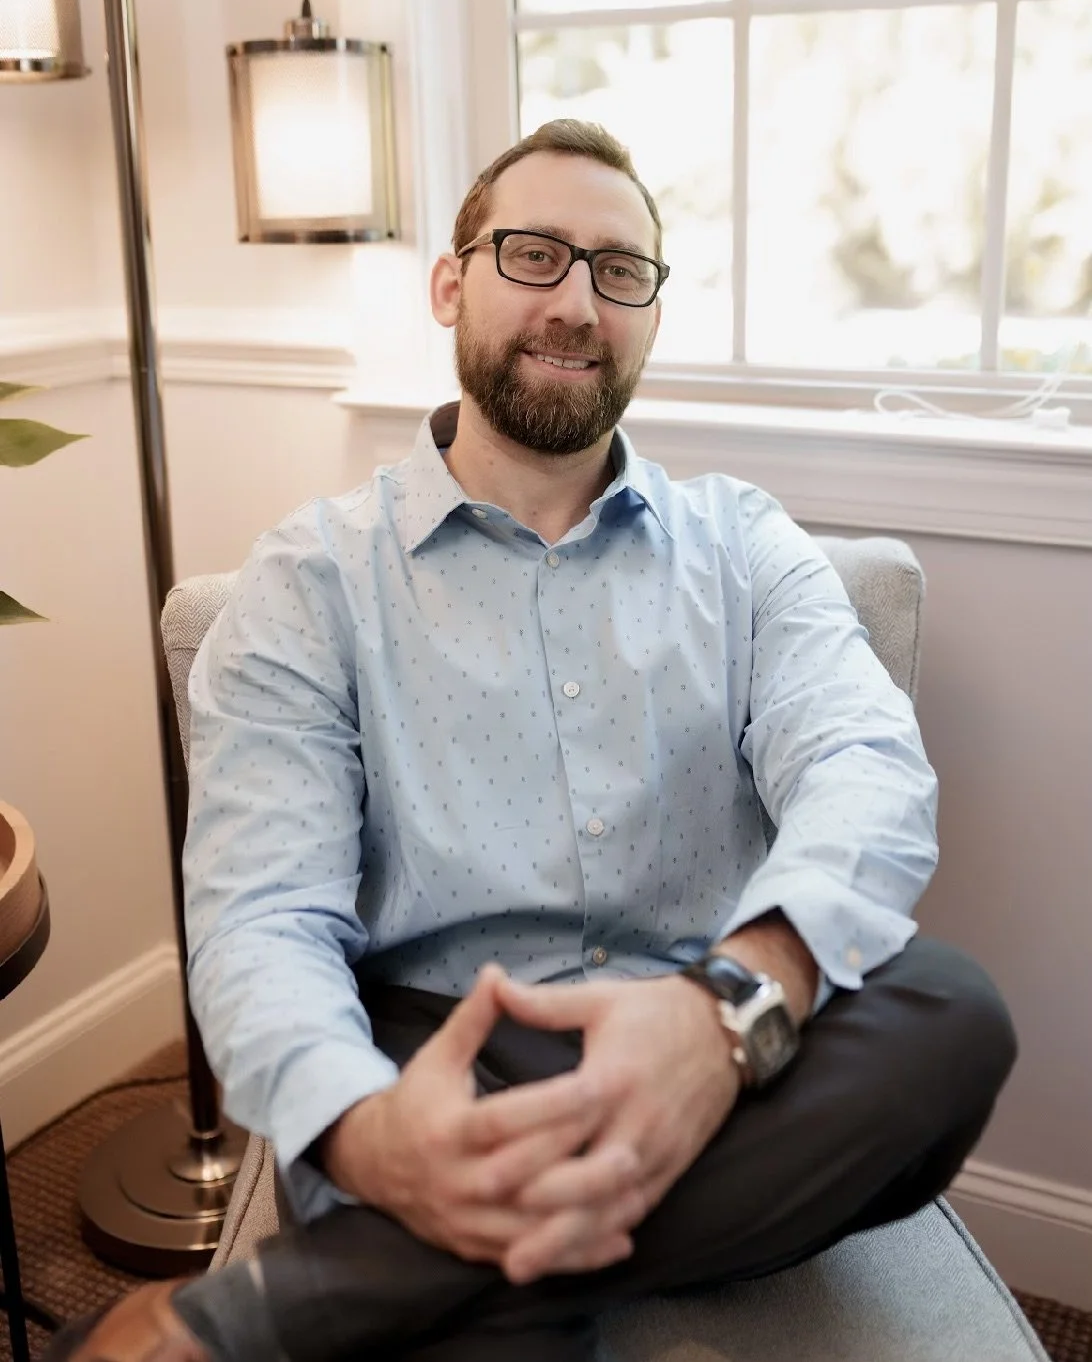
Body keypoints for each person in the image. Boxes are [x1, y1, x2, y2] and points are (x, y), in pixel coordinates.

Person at [51, 120, 1016, 1362]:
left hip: (705, 1031)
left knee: (951, 1011)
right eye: (534, 253)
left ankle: (294, 1303)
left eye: (620, 271)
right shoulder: (309, 581)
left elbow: (863, 770)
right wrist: (368, 1132)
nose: (576, 302)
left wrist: (722, 1013)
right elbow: (263, 916)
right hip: (428, 1049)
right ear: (450, 285)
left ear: (652, 316)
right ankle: (457, 1258)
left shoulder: (745, 546)